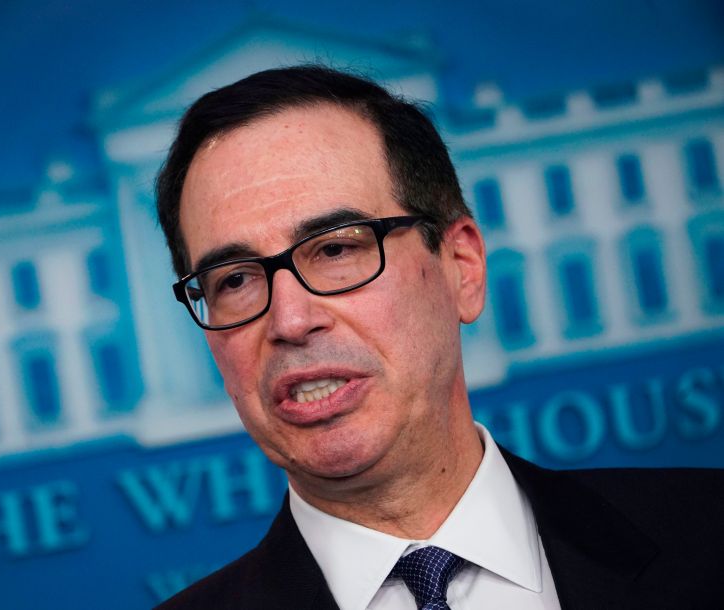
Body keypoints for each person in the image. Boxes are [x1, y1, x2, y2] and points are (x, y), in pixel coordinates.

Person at [153, 65, 724, 609]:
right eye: (235, 280)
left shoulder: (707, 535)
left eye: (335, 249)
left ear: (462, 267)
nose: (291, 321)